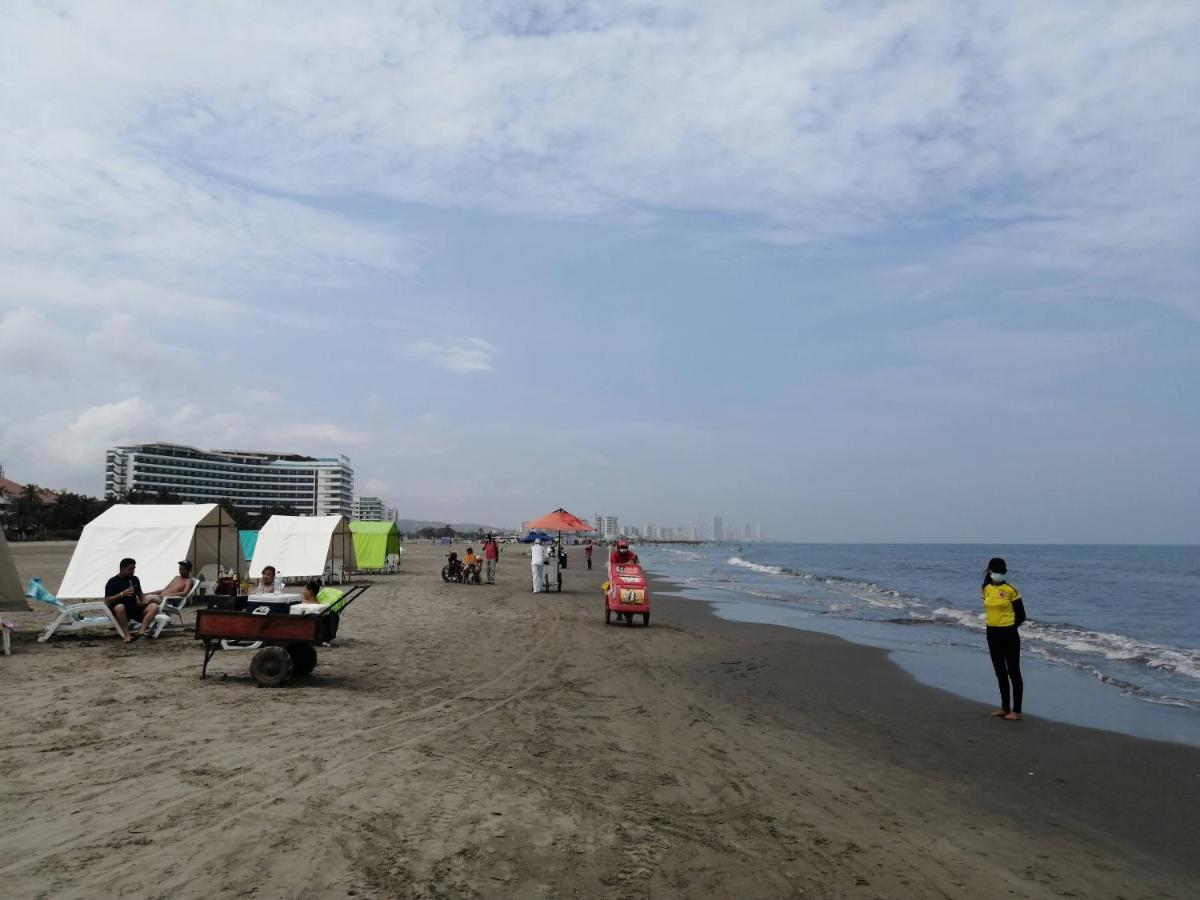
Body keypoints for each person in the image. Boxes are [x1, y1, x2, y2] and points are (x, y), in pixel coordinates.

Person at [982, 557, 1024, 721]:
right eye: (995, 571)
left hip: (1009, 634)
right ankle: (1005, 707)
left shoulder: (1011, 589)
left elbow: (1021, 615)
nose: (997, 574)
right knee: (1000, 671)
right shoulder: (986, 588)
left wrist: (1010, 628)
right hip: (991, 633)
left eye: (1001, 571)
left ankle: (1017, 711)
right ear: (990, 571)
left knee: (1014, 671)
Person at [103, 558, 157, 643]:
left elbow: (141, 596)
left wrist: (147, 600)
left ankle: (141, 630)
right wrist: (122, 594)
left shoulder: (134, 579)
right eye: (130, 569)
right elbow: (107, 600)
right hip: (120, 612)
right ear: (122, 568)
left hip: (134, 608)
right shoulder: (112, 582)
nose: (133, 571)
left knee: (154, 606)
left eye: (134, 569)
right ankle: (127, 635)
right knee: (120, 607)